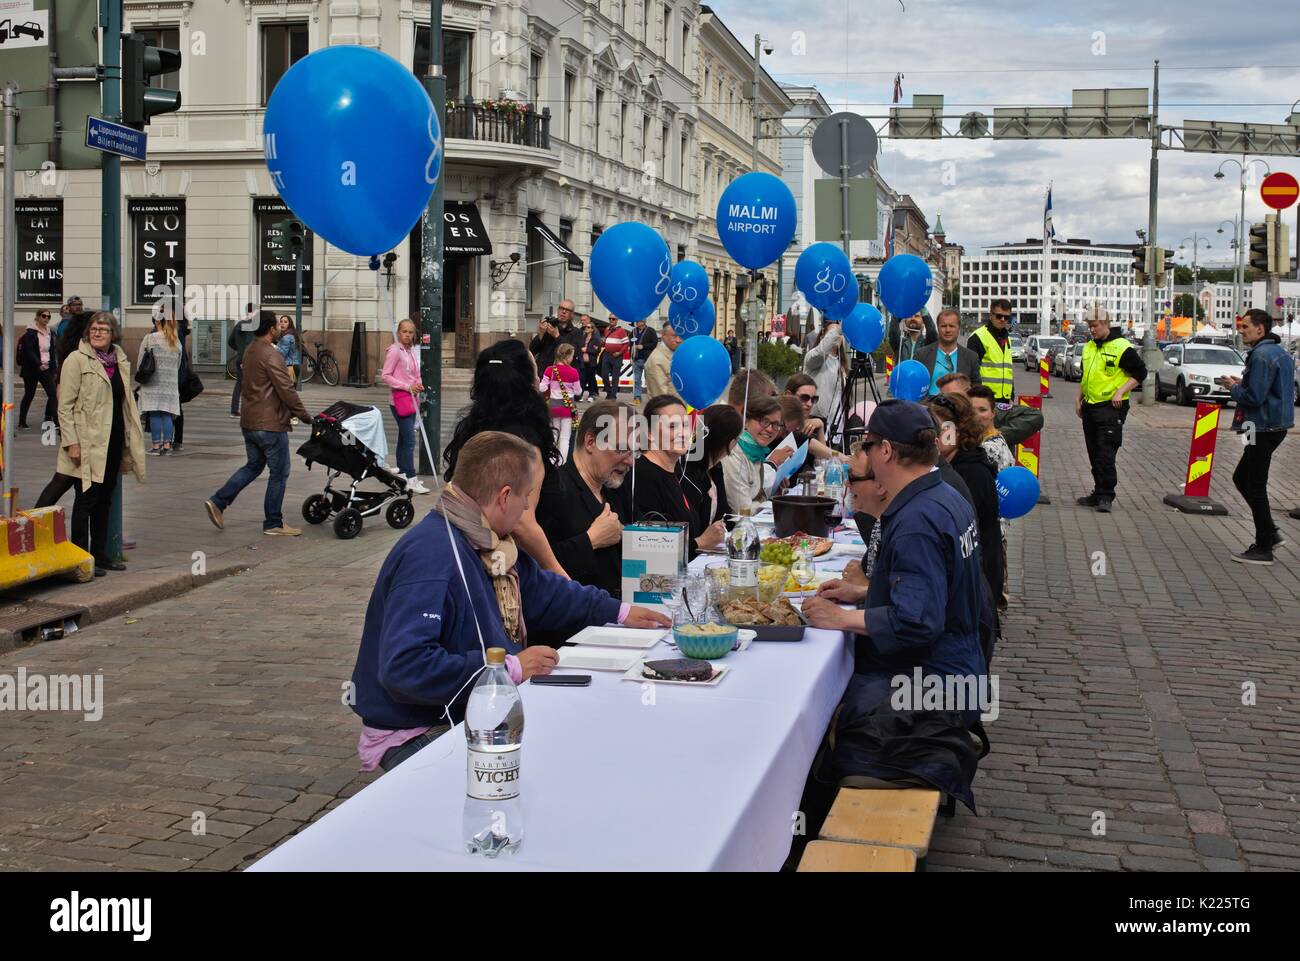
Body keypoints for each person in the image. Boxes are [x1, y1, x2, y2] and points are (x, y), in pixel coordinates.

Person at [350, 431, 670, 772]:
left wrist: (619, 611)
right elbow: (405, 667)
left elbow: (545, 591)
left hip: (469, 711)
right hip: (415, 730)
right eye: (526, 497)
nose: (528, 507)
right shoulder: (431, 555)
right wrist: (508, 669)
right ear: (504, 497)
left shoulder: (487, 541)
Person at [802, 399, 989, 726]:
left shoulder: (917, 521)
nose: (865, 456)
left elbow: (915, 623)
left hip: (932, 686)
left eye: (869, 446)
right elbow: (940, 587)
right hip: (963, 672)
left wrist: (841, 619)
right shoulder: (946, 496)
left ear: (885, 450)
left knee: (818, 713)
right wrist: (866, 594)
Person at [442, 338, 568, 576]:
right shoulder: (525, 445)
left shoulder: (473, 429)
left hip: (469, 557)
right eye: (535, 372)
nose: (539, 379)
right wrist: (562, 579)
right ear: (526, 383)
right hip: (512, 570)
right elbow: (522, 523)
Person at [204, 311, 310, 535]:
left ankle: (218, 501)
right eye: (277, 327)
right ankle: (273, 523)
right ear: (271, 329)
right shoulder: (271, 355)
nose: (280, 329)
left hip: (249, 421)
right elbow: (286, 389)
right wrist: (304, 415)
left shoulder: (250, 350)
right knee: (279, 473)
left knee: (253, 466)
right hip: (269, 424)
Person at [57, 313, 147, 576]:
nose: (97, 333)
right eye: (94, 329)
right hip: (87, 442)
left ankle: (100, 554)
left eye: (103, 329)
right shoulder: (76, 359)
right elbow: (65, 407)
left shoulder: (118, 358)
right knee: (86, 500)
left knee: (105, 500)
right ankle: (81, 557)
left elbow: (123, 401)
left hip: (113, 440)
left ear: (113, 334)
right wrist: (71, 442)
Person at [536, 400, 633, 597]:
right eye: (622, 449)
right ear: (590, 442)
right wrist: (591, 540)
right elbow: (535, 565)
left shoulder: (615, 488)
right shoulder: (553, 488)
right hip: (574, 621)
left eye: (634, 451)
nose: (630, 460)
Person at [1222, 308, 1296, 565]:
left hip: (1262, 428)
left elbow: (1254, 397)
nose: (1241, 331)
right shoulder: (1279, 353)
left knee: (1251, 482)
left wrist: (1234, 388)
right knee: (1245, 478)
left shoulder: (1262, 355)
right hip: (1270, 426)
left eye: (1245, 327)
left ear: (1260, 329)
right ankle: (1269, 534)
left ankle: (1265, 544)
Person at [926, 393, 1003, 626]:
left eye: (939, 430)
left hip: (975, 590)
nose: (933, 438)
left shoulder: (970, 473)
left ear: (958, 430)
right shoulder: (956, 464)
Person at [630, 394, 726, 558]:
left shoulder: (674, 471)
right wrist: (701, 542)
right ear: (650, 433)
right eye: (672, 426)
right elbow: (652, 549)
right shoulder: (644, 476)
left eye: (685, 425)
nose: (682, 433)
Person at [1076, 306, 1146, 513]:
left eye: (1095, 326)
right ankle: (1097, 493)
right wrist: (1078, 399)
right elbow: (1086, 377)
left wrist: (1120, 391)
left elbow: (1141, 372)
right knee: (1094, 451)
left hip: (1111, 408)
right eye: (1090, 326)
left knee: (1106, 451)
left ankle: (1106, 495)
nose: (1092, 330)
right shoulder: (1089, 347)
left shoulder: (1121, 347)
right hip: (1090, 406)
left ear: (1106, 324)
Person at [380, 317, 427, 493]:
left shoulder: (411, 351)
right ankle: (411, 477)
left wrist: (418, 384)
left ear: (414, 334)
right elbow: (386, 375)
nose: (407, 335)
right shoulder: (395, 351)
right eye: (404, 332)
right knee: (409, 440)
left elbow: (414, 373)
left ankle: (401, 472)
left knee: (404, 438)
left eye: (410, 332)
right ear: (399, 333)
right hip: (399, 400)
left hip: (411, 399)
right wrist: (407, 386)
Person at [721, 394, 789, 514]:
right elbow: (742, 510)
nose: (770, 429)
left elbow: (755, 494)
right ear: (746, 421)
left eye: (776, 424)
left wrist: (775, 492)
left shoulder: (757, 451)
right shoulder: (735, 452)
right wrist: (767, 502)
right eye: (764, 421)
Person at [937, 372, 1042, 448]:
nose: (948, 402)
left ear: (968, 393)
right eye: (944, 397)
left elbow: (1034, 416)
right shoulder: (945, 417)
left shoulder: (987, 409)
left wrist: (996, 437)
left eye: (954, 396)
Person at [682, 403, 743, 532]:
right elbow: (692, 528)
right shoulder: (687, 470)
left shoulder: (715, 467)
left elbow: (723, 514)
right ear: (732, 442)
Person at [136, 312, 183, 455]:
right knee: (167, 413)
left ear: (157, 322)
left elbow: (140, 362)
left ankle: (156, 446)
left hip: (152, 383)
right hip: (170, 383)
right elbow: (179, 364)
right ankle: (167, 445)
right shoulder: (176, 341)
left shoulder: (150, 338)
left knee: (155, 413)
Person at [915, 308, 980, 396]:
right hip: (928, 407)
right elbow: (915, 386)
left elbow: (976, 390)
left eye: (952, 326)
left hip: (959, 407)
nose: (948, 330)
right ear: (938, 327)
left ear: (959, 328)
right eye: (943, 326)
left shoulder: (971, 357)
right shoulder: (922, 354)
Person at [803, 319, 847, 440]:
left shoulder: (841, 363)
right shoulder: (813, 358)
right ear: (823, 336)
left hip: (836, 428)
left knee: (834, 457)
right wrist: (837, 329)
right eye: (831, 333)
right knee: (819, 458)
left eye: (839, 334)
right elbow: (821, 351)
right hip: (815, 424)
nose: (836, 336)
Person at [538, 342, 581, 463]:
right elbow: (578, 392)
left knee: (554, 435)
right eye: (572, 356)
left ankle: (551, 460)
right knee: (565, 438)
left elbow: (542, 388)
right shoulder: (574, 372)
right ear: (567, 357)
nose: (572, 359)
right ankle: (562, 462)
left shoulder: (550, 370)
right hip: (568, 408)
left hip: (554, 407)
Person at [967, 299, 1015, 402]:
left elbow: (1007, 368)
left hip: (1004, 397)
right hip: (985, 397)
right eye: (999, 316)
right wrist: (977, 395)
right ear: (990, 315)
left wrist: (1011, 393)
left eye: (1006, 317)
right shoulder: (978, 337)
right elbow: (971, 371)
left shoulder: (1007, 338)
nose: (1002, 319)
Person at [18, 308, 58, 430]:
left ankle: (56, 422)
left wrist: (53, 369)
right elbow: (29, 351)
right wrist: (38, 363)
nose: (46, 318)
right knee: (29, 394)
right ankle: (22, 421)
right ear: (37, 317)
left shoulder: (49, 332)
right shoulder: (30, 333)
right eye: (43, 316)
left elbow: (51, 351)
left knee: (53, 394)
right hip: (32, 369)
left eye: (48, 317)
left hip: (46, 368)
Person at [528, 299, 582, 373]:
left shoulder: (576, 332)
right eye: (561, 308)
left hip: (562, 376)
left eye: (567, 310)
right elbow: (532, 350)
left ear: (572, 314)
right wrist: (541, 334)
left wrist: (557, 336)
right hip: (544, 374)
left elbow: (574, 353)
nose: (563, 312)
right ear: (558, 310)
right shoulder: (549, 327)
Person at [227, 304, 259, 418]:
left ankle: (234, 411)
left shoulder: (239, 325)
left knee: (239, 385)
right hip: (249, 360)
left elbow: (230, 341)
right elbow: (249, 344)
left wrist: (239, 350)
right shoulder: (252, 326)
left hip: (240, 358)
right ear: (254, 312)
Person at [643, 323, 679, 400]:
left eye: (681, 336)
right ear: (663, 336)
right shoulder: (657, 360)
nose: (678, 340)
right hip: (670, 410)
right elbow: (661, 398)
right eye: (674, 336)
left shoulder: (677, 354)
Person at [599, 316, 629, 399]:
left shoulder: (621, 330)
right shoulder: (607, 329)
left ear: (617, 320)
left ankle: (612, 395)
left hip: (617, 356)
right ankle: (609, 392)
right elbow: (604, 343)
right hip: (607, 354)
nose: (611, 320)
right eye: (610, 318)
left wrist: (619, 353)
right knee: (604, 375)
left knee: (615, 377)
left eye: (613, 319)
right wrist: (602, 342)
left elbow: (626, 344)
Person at [630, 316, 658, 403]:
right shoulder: (634, 331)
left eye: (638, 321)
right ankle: (637, 398)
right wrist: (631, 357)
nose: (637, 323)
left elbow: (654, 343)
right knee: (636, 380)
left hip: (647, 359)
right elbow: (630, 345)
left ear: (643, 321)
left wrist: (643, 346)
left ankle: (652, 398)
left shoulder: (651, 330)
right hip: (636, 359)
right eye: (637, 321)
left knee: (649, 380)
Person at [577, 313, 602, 401]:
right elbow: (578, 345)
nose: (583, 323)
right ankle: (580, 395)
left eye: (584, 320)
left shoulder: (595, 336)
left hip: (591, 361)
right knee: (582, 378)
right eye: (582, 320)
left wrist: (586, 349)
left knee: (591, 378)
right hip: (582, 361)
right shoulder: (581, 332)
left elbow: (597, 348)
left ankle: (592, 394)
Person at [276, 315, 301, 385]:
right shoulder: (292, 334)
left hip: (288, 367)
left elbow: (282, 353)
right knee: (291, 393)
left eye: (285, 322)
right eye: (281, 321)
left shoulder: (286, 337)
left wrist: (273, 346)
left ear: (289, 324)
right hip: (295, 366)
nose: (282, 324)